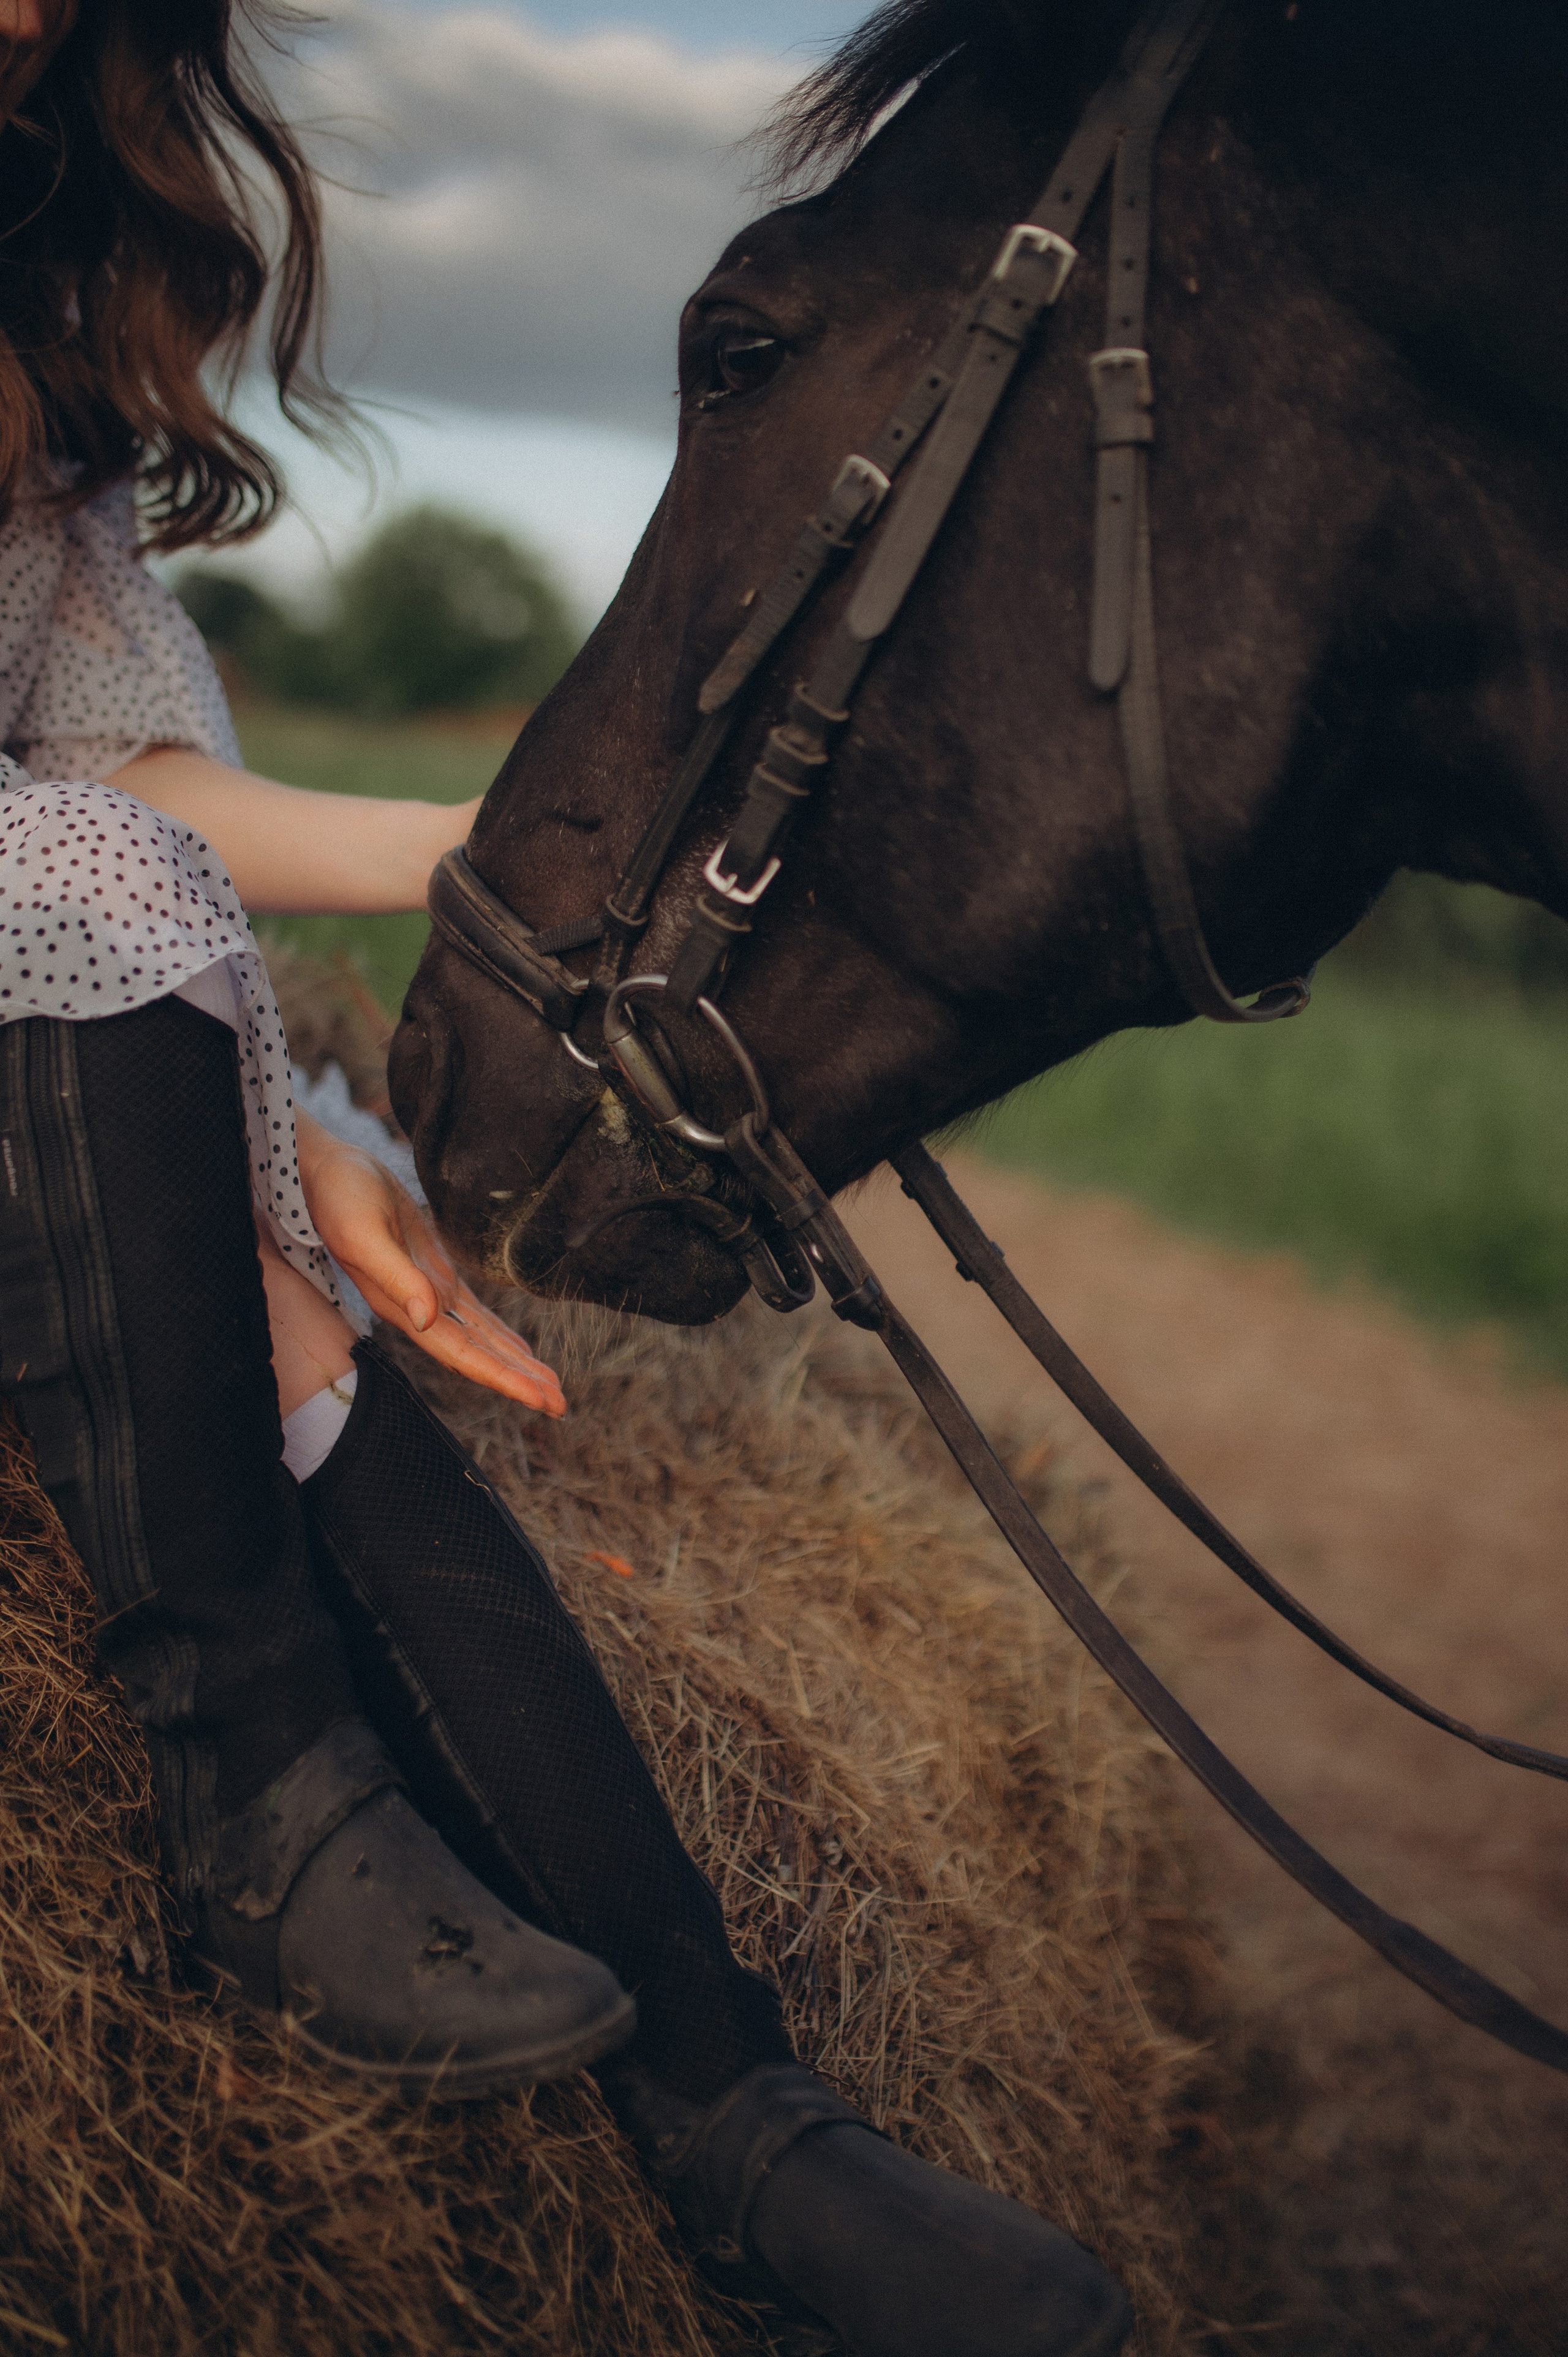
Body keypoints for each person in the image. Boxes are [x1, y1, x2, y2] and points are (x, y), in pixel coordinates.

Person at [0, 4, 1131, 2351]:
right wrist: (206, 1095)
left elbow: (105, 779)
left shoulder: (37, 269)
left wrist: (495, 877)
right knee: (227, 1163)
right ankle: (251, 1804)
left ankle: (745, 2120)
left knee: (319, 1294)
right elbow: (81, 863)